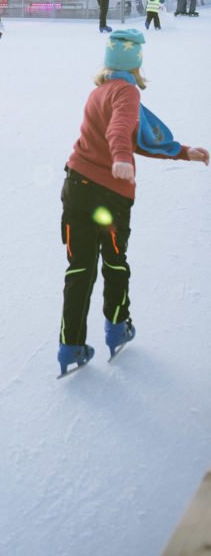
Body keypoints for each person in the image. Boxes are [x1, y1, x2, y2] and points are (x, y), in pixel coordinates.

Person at [57, 28, 209, 375]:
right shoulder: (127, 92)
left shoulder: (99, 92)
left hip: (76, 185)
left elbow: (132, 136)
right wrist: (121, 158)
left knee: (79, 269)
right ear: (135, 65)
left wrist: (183, 152)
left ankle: (70, 346)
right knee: (114, 263)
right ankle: (117, 326)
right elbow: (120, 130)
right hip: (108, 195)